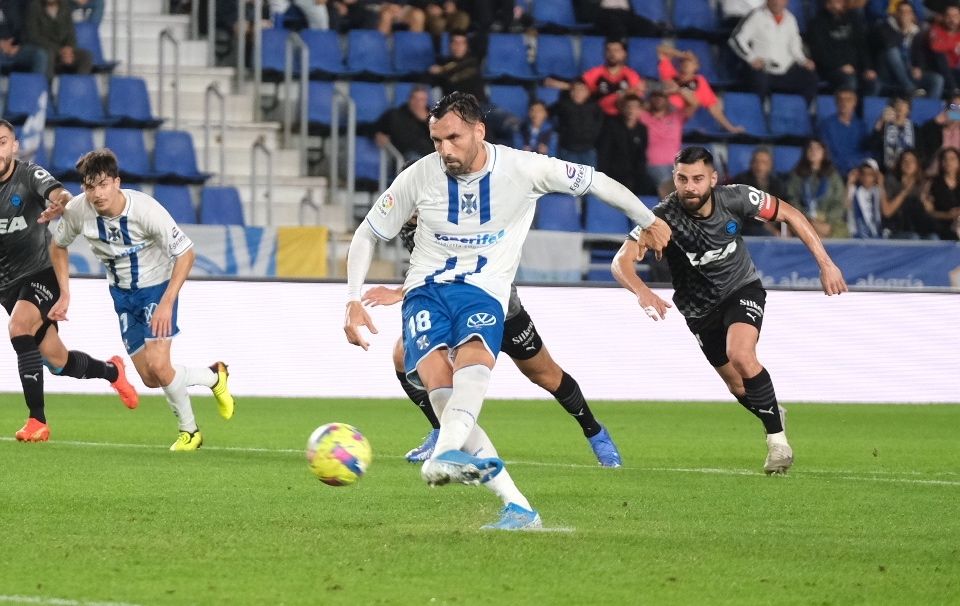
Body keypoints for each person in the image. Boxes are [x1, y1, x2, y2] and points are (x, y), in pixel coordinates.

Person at [343, 92, 670, 530]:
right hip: (425, 290)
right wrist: (351, 297)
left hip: (485, 290)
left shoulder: (524, 168)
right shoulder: (419, 177)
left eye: (453, 138)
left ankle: (448, 458)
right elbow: (367, 234)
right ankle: (517, 506)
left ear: (479, 131)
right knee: (439, 387)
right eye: (436, 140)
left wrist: (647, 218)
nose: (444, 149)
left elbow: (595, 181)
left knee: (499, 363)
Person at [611, 146, 848, 475]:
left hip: (741, 289)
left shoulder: (737, 198)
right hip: (699, 311)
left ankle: (778, 443)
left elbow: (790, 214)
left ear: (713, 179)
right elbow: (619, 261)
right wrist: (642, 291)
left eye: (697, 179)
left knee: (740, 354)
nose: (689, 187)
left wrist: (826, 264)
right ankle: (771, 412)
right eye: (682, 179)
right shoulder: (660, 218)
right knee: (737, 386)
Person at [363, 218, 623, 468]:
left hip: (495, 304)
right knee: (403, 354)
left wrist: (398, 292)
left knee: (545, 375)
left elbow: (465, 268)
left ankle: (596, 433)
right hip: (448, 310)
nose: (409, 209)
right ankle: (442, 433)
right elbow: (427, 271)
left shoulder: (454, 216)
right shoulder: (409, 229)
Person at [42, 149, 237, 451]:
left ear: (117, 182)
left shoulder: (145, 210)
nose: (98, 193)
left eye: (104, 184)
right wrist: (65, 291)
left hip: (156, 290)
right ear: (84, 188)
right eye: (91, 186)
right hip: (121, 296)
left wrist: (168, 301)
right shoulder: (79, 210)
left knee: (160, 364)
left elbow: (186, 253)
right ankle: (213, 377)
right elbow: (58, 246)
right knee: (150, 378)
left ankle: (190, 432)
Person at [0, 121, 138, 442]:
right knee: (57, 361)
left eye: (2, 142)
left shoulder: (27, 175)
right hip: (7, 287)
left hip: (40, 273)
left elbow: (57, 191)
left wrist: (60, 201)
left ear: (14, 146)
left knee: (19, 327)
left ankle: (37, 421)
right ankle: (113, 371)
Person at [728, 0, 818, 104]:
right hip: (764, 69)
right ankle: (761, 114)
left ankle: (803, 112)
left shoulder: (790, 19)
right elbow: (736, 39)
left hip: (786, 70)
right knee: (758, 80)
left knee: (810, 76)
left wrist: (803, 61)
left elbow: (795, 46)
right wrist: (751, 58)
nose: (777, 2)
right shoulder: (756, 16)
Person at [657, 44, 744, 135]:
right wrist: (682, 54)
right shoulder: (671, 74)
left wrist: (731, 128)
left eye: (691, 62)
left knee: (693, 102)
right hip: (661, 112)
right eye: (684, 62)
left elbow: (713, 108)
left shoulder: (699, 82)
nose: (686, 65)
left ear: (696, 66)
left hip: (678, 118)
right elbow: (661, 49)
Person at [806, 0, 879, 96]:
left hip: (856, 68)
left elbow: (862, 46)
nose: (840, 4)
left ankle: (862, 110)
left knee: (874, 83)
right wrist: (840, 65)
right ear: (828, 4)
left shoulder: (853, 19)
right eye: (836, 1)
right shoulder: (817, 23)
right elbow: (819, 53)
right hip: (832, 69)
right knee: (850, 81)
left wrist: (867, 68)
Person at [784, 138, 848, 238]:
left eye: (817, 148)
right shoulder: (797, 174)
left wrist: (826, 219)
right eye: (810, 148)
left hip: (828, 222)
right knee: (796, 228)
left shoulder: (833, 176)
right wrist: (807, 219)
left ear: (824, 152)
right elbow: (792, 199)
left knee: (840, 232)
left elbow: (839, 203)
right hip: (803, 220)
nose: (813, 151)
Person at [25, 0, 92, 78]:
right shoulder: (34, 6)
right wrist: (59, 50)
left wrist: (69, 49)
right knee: (47, 55)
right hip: (46, 48)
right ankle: (47, 88)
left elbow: (71, 32)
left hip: (64, 50)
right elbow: (33, 36)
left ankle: (78, 86)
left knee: (86, 56)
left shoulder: (65, 6)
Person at [374, 86, 433, 163]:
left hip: (431, 154)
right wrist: (378, 134)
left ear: (426, 101)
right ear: (409, 99)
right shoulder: (395, 115)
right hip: (407, 155)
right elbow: (374, 127)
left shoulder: (434, 118)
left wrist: (425, 122)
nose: (417, 103)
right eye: (415, 98)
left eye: (422, 100)